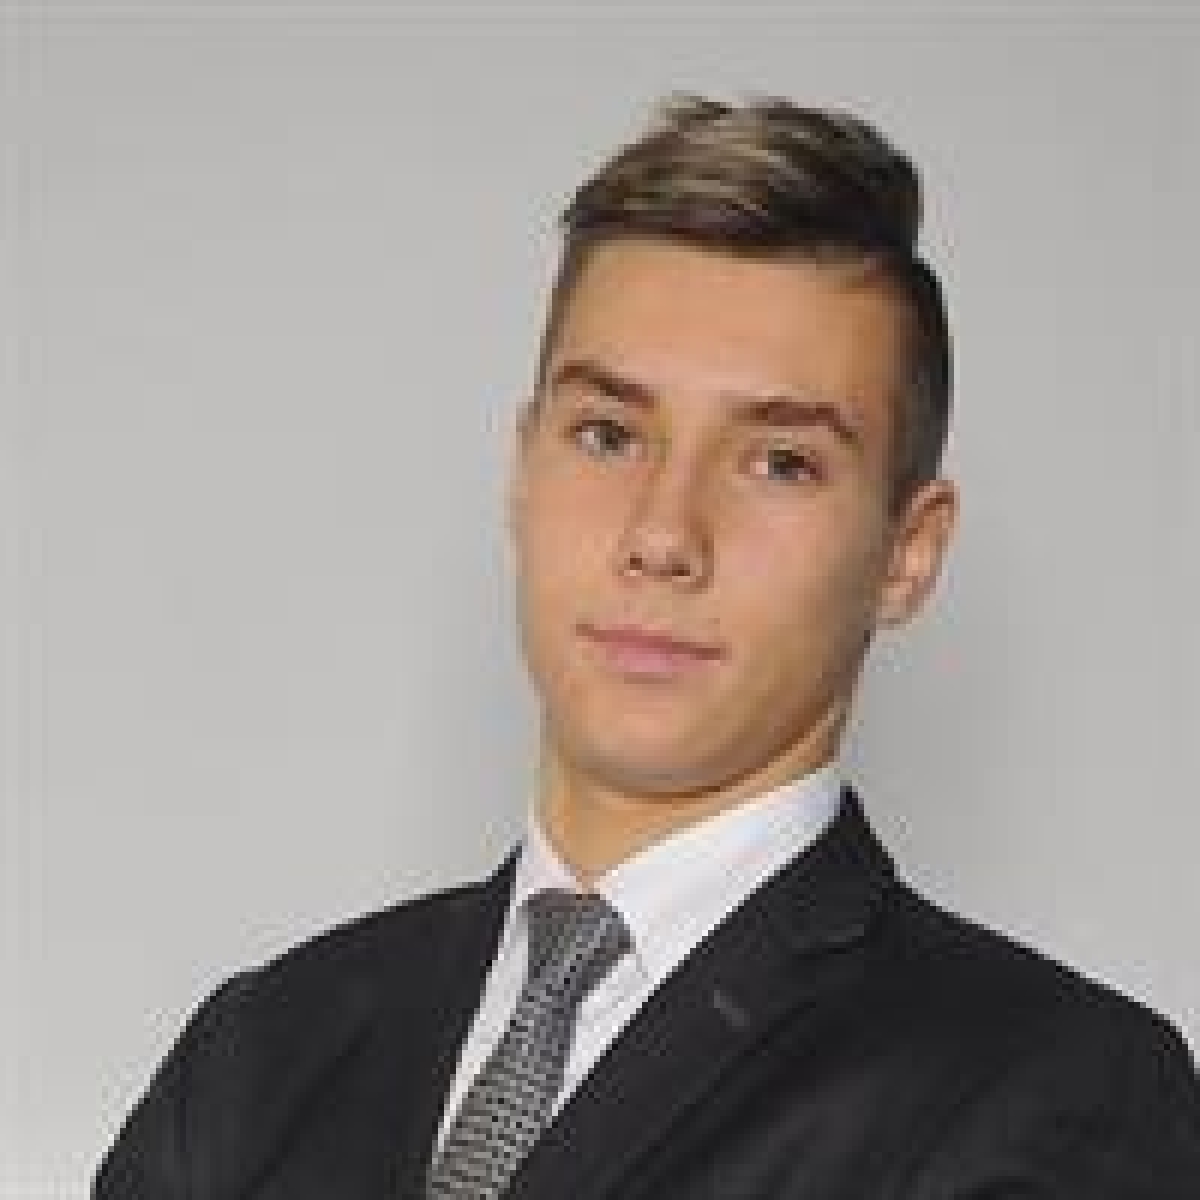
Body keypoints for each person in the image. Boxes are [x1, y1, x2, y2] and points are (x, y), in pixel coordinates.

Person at [94, 95, 1199, 1199]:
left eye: (779, 462)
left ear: (907, 553)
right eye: (609, 435)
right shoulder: (262, 1054)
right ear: (523, 470)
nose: (664, 535)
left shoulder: (1052, 1091)